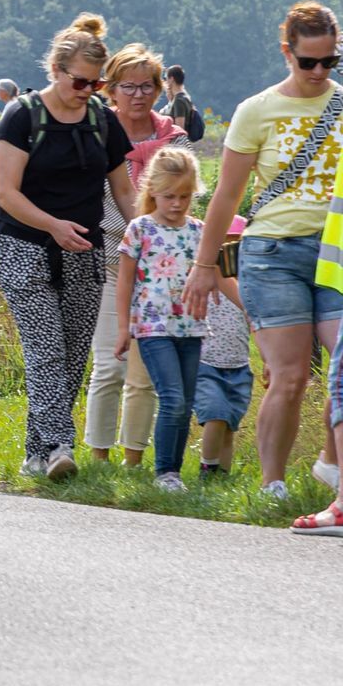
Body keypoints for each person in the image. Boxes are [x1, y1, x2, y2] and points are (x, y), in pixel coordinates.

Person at [184, 1, 343, 504]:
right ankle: (272, 484)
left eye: (329, 62)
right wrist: (204, 265)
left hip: (335, 251)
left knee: (342, 361)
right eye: (308, 62)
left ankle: (329, 462)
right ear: (286, 53)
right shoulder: (257, 110)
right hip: (272, 253)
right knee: (291, 374)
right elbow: (227, 195)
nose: (318, 73)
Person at [0, 14, 135, 480]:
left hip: (84, 253)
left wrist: (151, 232)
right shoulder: (21, 116)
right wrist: (53, 226)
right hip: (25, 248)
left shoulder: (102, 120)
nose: (88, 90)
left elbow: (125, 191)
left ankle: (36, 456)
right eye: (79, 81)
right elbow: (6, 193)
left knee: (73, 359)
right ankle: (58, 447)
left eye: (97, 83)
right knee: (46, 352)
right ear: (55, 69)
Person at [83, 45, 188, 465]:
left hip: (159, 266)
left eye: (147, 86)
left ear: (160, 89)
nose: (138, 95)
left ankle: (134, 459)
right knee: (110, 363)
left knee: (144, 376)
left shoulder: (172, 139)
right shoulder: (96, 131)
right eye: (128, 86)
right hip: (108, 256)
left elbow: (184, 198)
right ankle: (98, 458)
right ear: (111, 89)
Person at [113, 147, 208, 493]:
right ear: (152, 191)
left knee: (185, 402)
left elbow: (216, 275)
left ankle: (174, 473)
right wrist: (124, 328)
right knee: (173, 398)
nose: (177, 204)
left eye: (184, 196)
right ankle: (165, 472)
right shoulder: (140, 229)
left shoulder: (200, 231)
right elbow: (125, 281)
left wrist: (248, 308)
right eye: (169, 196)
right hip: (153, 328)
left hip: (192, 327)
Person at [195, 215, 254, 479]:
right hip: (207, 363)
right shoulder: (204, 280)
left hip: (239, 365)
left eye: (234, 245)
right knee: (216, 415)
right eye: (222, 245)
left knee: (229, 424)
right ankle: (207, 469)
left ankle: (223, 477)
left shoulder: (249, 288)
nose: (227, 253)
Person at [162, 66, 203, 142]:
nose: (165, 81)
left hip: (176, 145)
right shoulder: (184, 98)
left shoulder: (179, 101)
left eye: (165, 78)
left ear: (171, 79)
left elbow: (179, 129)